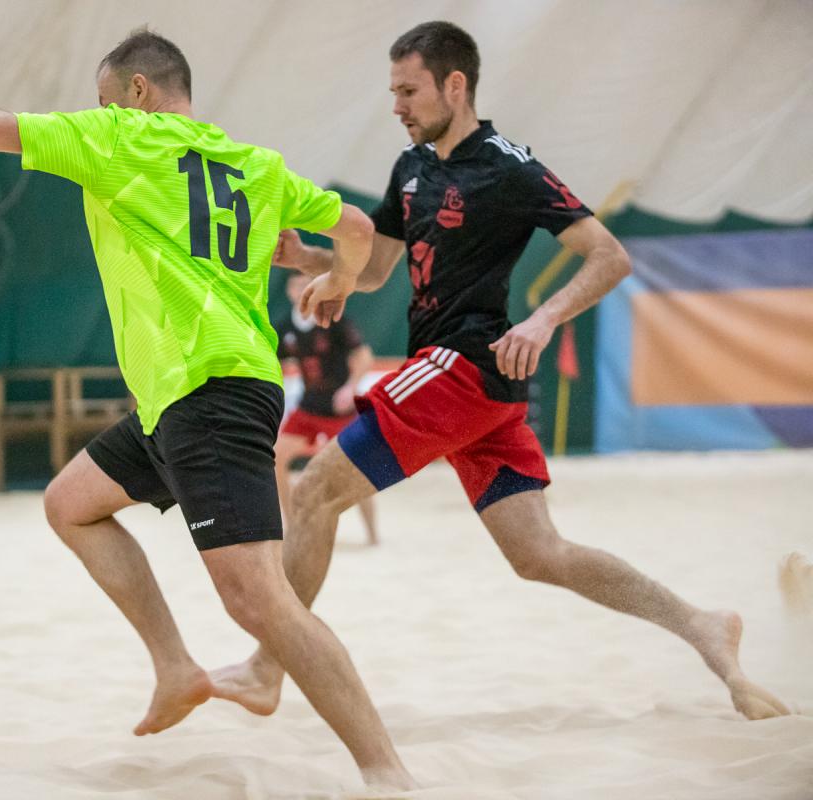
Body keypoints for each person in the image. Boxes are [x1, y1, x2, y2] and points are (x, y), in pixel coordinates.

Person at [211, 20, 791, 722]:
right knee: (540, 555)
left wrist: (543, 320)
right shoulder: (411, 167)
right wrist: (311, 260)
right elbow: (379, 270)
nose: (396, 105)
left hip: (461, 366)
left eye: (409, 91)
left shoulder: (509, 168)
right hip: (477, 390)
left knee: (312, 494)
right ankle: (702, 624)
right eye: (393, 91)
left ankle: (267, 667)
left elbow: (610, 257)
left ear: (455, 85)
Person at [0, 28, 414, 790]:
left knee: (257, 600)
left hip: (209, 390)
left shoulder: (119, 137)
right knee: (70, 505)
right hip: (187, 395)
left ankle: (386, 770)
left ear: (136, 92)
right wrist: (340, 282)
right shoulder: (255, 164)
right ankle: (175, 668)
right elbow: (356, 229)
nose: (98, 111)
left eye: (104, 98)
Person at [273, 269, 378, 544]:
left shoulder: (333, 320)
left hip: (340, 411)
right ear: (289, 291)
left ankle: (372, 535)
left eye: (305, 285)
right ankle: (293, 527)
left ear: (314, 289)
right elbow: (272, 363)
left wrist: (350, 387)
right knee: (276, 458)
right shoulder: (285, 327)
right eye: (295, 286)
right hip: (309, 409)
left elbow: (364, 355)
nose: (301, 291)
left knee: (359, 471)